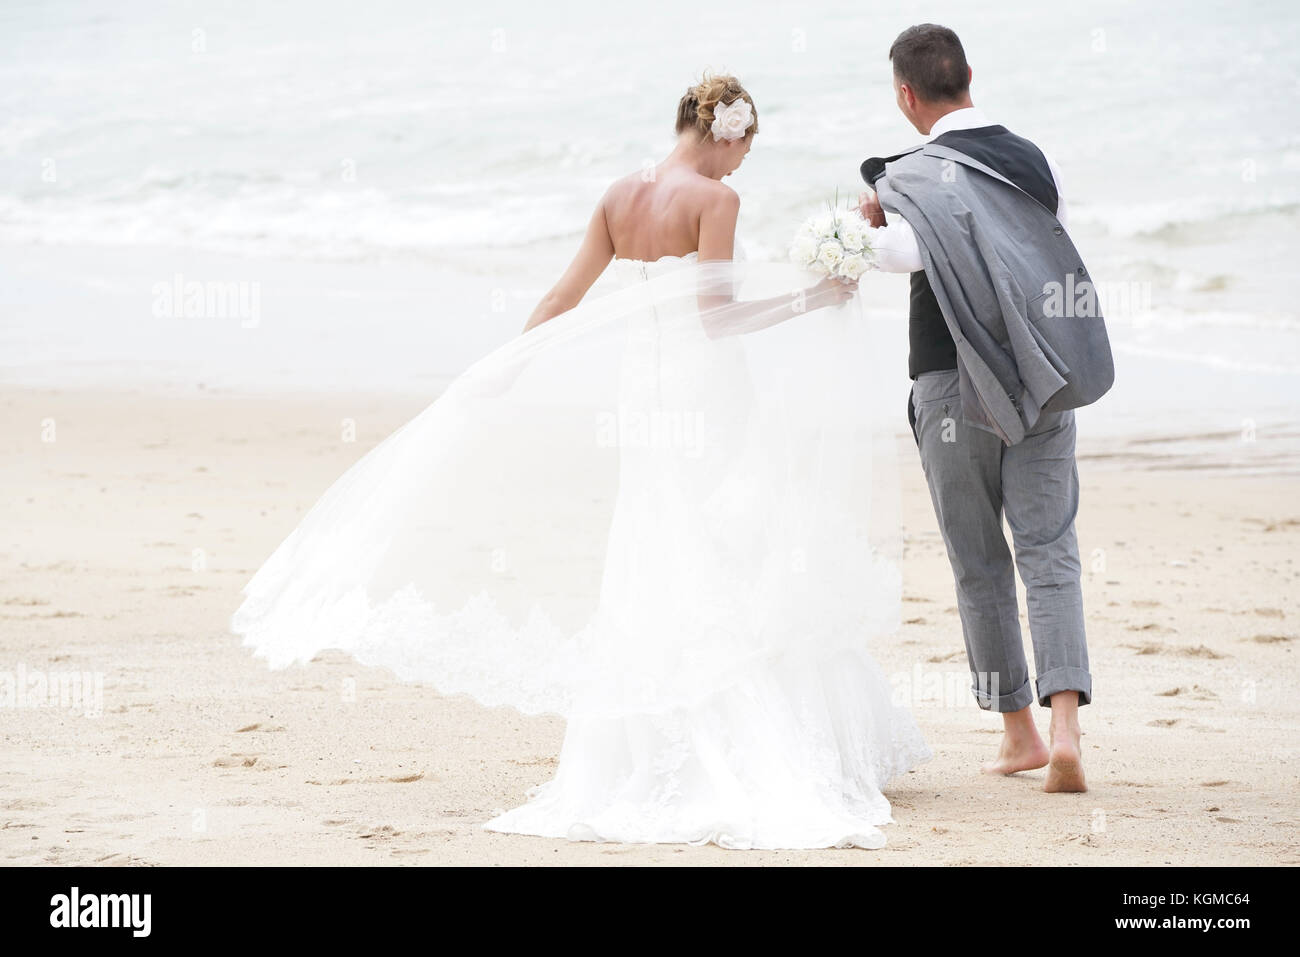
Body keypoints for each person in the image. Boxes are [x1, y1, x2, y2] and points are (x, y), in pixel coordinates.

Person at [232, 73, 931, 850]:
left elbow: (564, 297)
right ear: (728, 133)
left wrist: (507, 363)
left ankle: (645, 740)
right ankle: (745, 731)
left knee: (658, 534)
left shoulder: (618, 194)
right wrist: (814, 298)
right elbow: (718, 318)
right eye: (742, 152)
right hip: (704, 393)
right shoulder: (716, 202)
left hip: (644, 397)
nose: (740, 169)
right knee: (729, 531)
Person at [859, 24, 1099, 792]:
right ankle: (1065, 724)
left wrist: (860, 230)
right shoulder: (1034, 160)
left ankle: (1018, 732)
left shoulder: (911, 176)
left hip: (949, 384)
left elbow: (905, 256)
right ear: (969, 75)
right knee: (1050, 550)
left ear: (906, 95)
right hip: (1039, 375)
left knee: (980, 562)